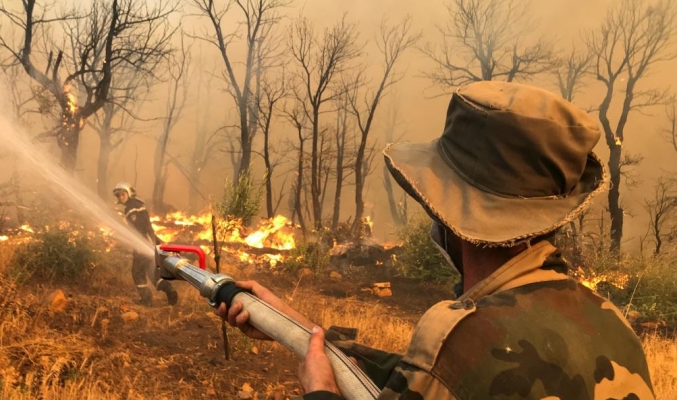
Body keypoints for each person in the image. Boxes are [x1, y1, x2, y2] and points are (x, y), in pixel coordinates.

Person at [216, 81, 654, 399]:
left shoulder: (459, 334)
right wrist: (295, 327)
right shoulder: (613, 324)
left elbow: (449, 367)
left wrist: (320, 392)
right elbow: (427, 378)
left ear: (449, 215)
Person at [113, 182, 178, 306]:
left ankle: (146, 299)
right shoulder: (138, 204)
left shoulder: (132, 209)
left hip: (142, 245)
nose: (121, 198)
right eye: (118, 196)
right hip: (149, 242)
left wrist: (139, 244)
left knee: (137, 271)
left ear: (128, 193)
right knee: (152, 272)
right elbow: (147, 226)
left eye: (122, 194)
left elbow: (140, 228)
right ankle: (170, 291)